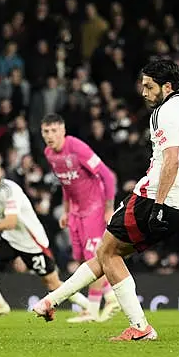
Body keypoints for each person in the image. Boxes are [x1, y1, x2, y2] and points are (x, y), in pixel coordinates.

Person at [33, 58, 179, 341]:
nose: (143, 92)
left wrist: (159, 204)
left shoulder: (163, 112)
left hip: (154, 199)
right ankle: (50, 302)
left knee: (107, 253)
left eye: (148, 86)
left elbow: (171, 160)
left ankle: (140, 327)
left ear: (166, 87)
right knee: (108, 252)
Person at [0, 158, 91, 321]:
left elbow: (11, 222)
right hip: (10, 238)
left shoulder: (9, 190)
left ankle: (88, 307)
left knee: (52, 283)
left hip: (31, 243)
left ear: (0, 172)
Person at [41, 113, 121, 323]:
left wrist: (108, 208)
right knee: (81, 259)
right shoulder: (49, 153)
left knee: (94, 258)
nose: (50, 135)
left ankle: (92, 309)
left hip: (94, 207)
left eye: (54, 131)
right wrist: (67, 211)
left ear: (63, 130)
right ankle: (111, 297)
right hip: (76, 211)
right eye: (46, 131)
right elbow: (66, 184)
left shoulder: (77, 148)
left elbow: (108, 176)